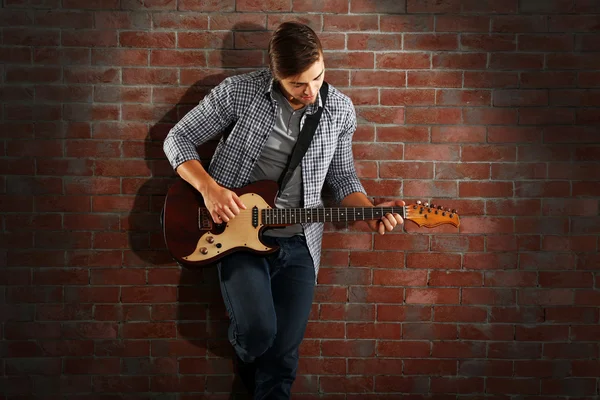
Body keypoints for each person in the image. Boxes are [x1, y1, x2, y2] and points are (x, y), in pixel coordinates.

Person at [163, 21, 404, 400]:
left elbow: (342, 178)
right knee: (258, 335)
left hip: (299, 243)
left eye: (318, 77)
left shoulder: (339, 110)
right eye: (298, 84)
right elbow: (178, 138)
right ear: (276, 75)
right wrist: (210, 191)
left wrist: (371, 210)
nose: (311, 91)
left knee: (284, 359)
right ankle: (250, 357)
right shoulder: (239, 93)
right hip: (235, 236)